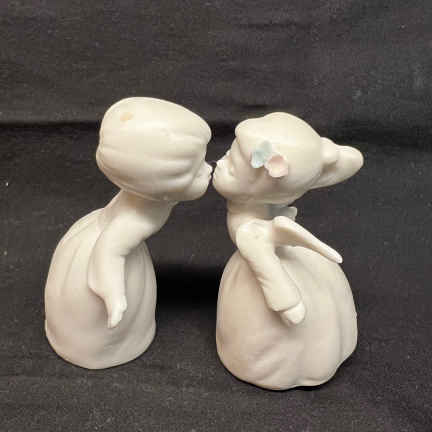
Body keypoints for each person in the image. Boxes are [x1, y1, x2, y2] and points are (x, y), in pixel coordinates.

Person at [44, 97, 212, 369]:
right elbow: (109, 249)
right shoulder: (135, 219)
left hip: (103, 235)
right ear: (160, 183)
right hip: (105, 258)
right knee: (100, 316)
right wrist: (113, 294)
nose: (209, 169)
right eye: (196, 172)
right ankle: (102, 342)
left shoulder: (143, 193)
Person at [213, 112, 363, 390]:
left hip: (272, 270)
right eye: (226, 156)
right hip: (275, 246)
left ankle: (276, 362)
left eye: (231, 168)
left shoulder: (251, 233)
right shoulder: (259, 210)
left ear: (264, 188)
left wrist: (287, 304)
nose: (219, 164)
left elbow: (268, 270)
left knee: (261, 320)